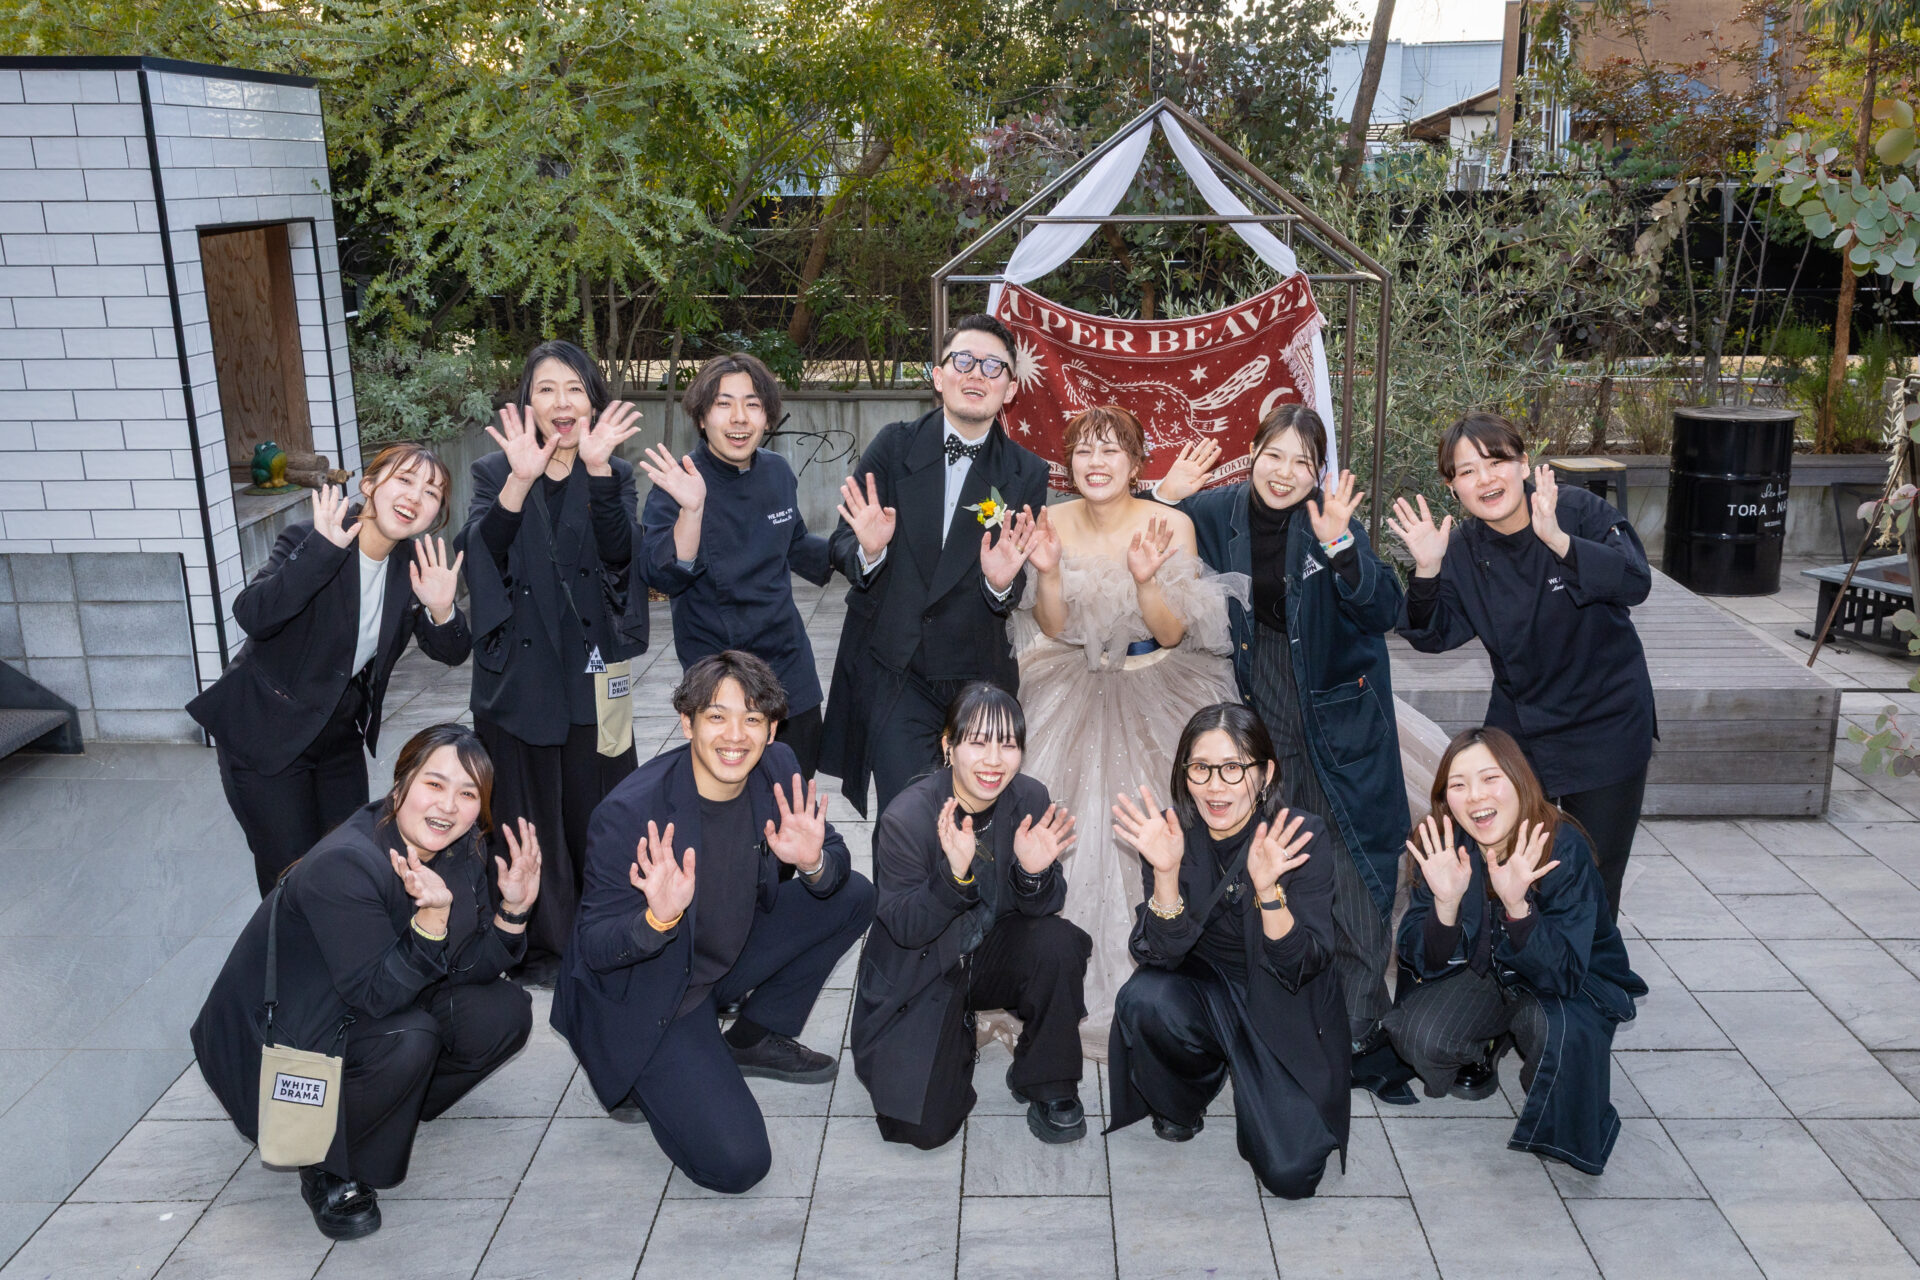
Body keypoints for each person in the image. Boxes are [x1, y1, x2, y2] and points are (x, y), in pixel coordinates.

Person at [191, 724, 540, 1240]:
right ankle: (328, 1163)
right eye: (435, 784)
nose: (449, 806)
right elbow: (378, 995)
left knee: (504, 1013)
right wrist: (432, 923)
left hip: (359, 1008)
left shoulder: (461, 848)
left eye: (469, 794)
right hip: (282, 1042)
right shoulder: (346, 864)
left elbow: (465, 964)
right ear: (400, 785)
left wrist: (513, 911)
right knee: (410, 1037)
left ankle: (389, 1105)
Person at [550, 650, 875, 1194]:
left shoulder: (778, 767)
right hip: (653, 991)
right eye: (717, 716)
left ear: (772, 730)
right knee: (739, 1164)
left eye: (752, 718)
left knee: (854, 895)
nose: (735, 736)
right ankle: (645, 1071)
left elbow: (834, 862)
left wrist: (813, 862)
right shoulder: (629, 813)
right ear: (687, 723)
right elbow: (596, 946)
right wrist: (656, 919)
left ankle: (751, 1036)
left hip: (725, 949)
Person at [1153, 407, 1407, 1087]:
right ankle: (1294, 1012)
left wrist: (1343, 547)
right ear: (1253, 452)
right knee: (1280, 851)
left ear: (1317, 472)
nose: (1285, 473)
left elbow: (1385, 609)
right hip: (1260, 692)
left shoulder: (1329, 518)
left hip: (1335, 701)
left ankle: (1361, 1025)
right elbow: (1151, 534)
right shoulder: (1219, 511)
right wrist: (1167, 495)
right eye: (1274, 455)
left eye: (1302, 462)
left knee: (1352, 857)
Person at [1010, 404, 1244, 1056]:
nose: (1096, 462)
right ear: (1068, 463)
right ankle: (1055, 979)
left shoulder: (1170, 522)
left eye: (1111, 450)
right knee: (1060, 816)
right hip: (1070, 677)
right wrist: (1048, 571)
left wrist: (1145, 582)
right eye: (1084, 450)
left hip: (1159, 681)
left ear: (1137, 463)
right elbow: (1052, 625)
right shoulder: (1052, 519)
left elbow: (1172, 631)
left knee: (1164, 820)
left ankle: (1169, 973)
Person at [1388, 410, 1654, 919]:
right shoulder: (1463, 549)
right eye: (1467, 471)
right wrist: (1426, 569)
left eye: (1496, 462)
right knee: (1504, 861)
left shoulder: (1575, 510)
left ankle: (1591, 965)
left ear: (1524, 463)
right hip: (1522, 728)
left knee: (1598, 873)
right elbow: (1432, 634)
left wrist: (1559, 541)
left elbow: (1634, 582)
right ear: (1452, 487)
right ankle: (1515, 952)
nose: (1485, 478)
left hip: (1607, 722)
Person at [188, 444, 472, 895]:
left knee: (347, 863)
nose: (415, 497)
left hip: (338, 738)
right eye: (404, 480)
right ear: (369, 485)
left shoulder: (410, 566)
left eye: (432, 492)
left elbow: (451, 652)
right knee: (289, 876)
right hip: (266, 732)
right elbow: (253, 615)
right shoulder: (314, 536)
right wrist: (319, 553)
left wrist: (442, 609)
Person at [456, 339, 650, 983]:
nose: (561, 402)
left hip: (593, 671)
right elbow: (482, 553)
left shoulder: (614, 472)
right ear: (527, 402)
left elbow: (621, 555)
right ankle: (539, 945)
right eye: (546, 389)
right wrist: (519, 480)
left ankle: (606, 928)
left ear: (593, 400)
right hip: (521, 677)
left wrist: (598, 473)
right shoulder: (494, 470)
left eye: (574, 388)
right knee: (525, 815)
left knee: (601, 810)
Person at [1107, 703, 1349, 1200]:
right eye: (1201, 768)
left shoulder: (1298, 835)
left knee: (1292, 1176)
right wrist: (1166, 872)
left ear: (1265, 774)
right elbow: (1160, 953)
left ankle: (1258, 1080)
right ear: (1185, 773)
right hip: (1203, 991)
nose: (1215, 787)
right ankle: (1186, 1093)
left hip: (1282, 1004)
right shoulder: (1172, 833)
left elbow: (1303, 964)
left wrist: (1268, 892)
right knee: (1145, 1000)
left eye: (1233, 768)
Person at [1382, 726, 1646, 1176]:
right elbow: (1420, 960)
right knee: (1419, 1035)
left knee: (1553, 1028)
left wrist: (1518, 908)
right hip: (1485, 972)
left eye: (1490, 778)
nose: (1475, 796)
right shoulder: (1440, 843)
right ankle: (1489, 1040)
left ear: (1520, 780)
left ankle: (1540, 1066)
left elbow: (1566, 974)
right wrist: (1444, 905)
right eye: (1458, 785)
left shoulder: (1561, 845)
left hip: (1565, 979)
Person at [819, 312, 1050, 818]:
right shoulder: (894, 445)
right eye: (963, 360)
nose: (977, 374)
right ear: (939, 376)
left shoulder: (1026, 471)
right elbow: (842, 542)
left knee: (975, 819)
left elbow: (1016, 575)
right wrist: (871, 551)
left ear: (1011, 388)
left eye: (993, 366)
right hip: (897, 667)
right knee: (906, 815)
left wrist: (1000, 584)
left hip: (977, 673)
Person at [852, 682, 1092, 1149]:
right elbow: (904, 927)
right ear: (949, 746)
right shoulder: (907, 817)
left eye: (1008, 744)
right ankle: (953, 1033)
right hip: (922, 970)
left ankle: (1048, 1080)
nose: (994, 760)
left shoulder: (1029, 797)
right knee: (922, 1130)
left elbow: (1044, 907)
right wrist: (952, 877)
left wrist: (1032, 874)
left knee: (1057, 942)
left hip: (991, 950)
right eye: (978, 743)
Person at [638, 352, 834, 779]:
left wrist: (858, 551)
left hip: (789, 667)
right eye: (723, 404)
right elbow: (661, 574)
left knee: (794, 788)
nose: (739, 417)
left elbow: (796, 543)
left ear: (767, 416)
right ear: (702, 417)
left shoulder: (778, 471)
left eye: (753, 404)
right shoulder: (680, 481)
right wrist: (692, 510)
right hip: (719, 673)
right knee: (730, 798)